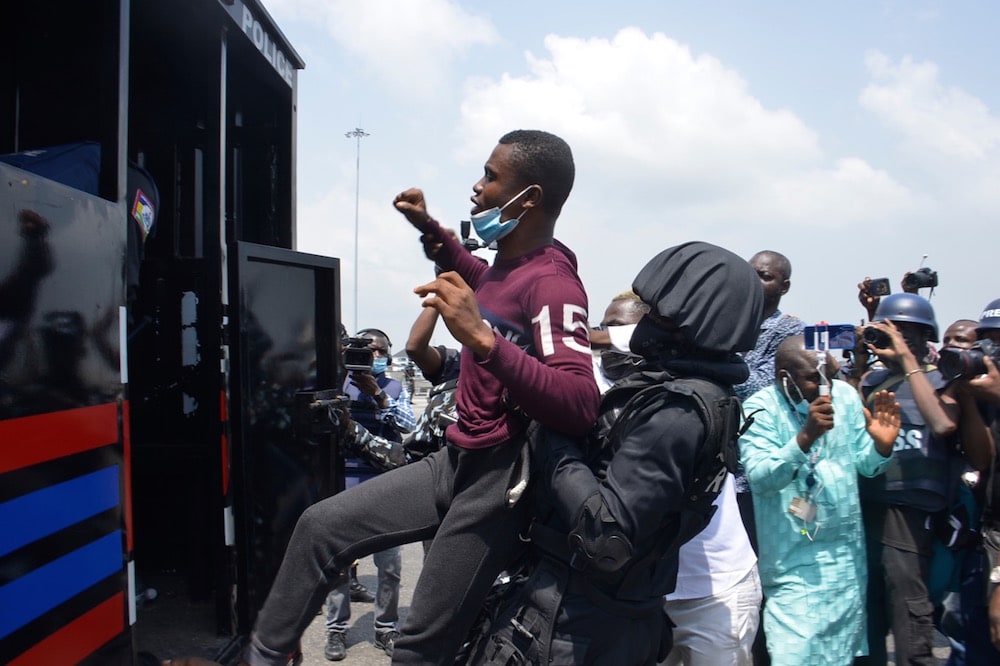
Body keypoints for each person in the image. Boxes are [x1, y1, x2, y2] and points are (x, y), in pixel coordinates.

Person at [242, 129, 599, 666]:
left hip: (498, 481)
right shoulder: (504, 267)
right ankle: (263, 657)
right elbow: (472, 271)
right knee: (319, 528)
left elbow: (579, 401)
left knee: (418, 647)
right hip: (453, 459)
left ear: (530, 198)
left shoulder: (552, 283)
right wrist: (428, 227)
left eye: (491, 176)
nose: (476, 187)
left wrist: (483, 340)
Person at [463, 241, 765, 665]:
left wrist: (553, 436)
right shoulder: (688, 386)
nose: (649, 323)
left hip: (649, 602)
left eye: (659, 313)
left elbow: (606, 536)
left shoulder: (677, 409)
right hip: (629, 600)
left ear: (692, 321)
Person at [739, 335, 899, 664]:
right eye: (815, 378)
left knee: (840, 654)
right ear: (785, 377)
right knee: (793, 652)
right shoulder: (760, 409)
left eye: (832, 374)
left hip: (844, 562)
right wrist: (805, 438)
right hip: (792, 562)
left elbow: (866, 466)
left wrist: (881, 447)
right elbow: (760, 478)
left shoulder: (845, 398)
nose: (826, 386)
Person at [854, 293, 992, 665]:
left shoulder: (943, 379)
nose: (895, 339)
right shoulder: (872, 380)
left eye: (905, 333)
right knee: (867, 618)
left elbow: (943, 424)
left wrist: (909, 363)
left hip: (911, 513)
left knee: (909, 613)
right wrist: (861, 359)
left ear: (923, 337)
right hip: (867, 504)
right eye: (888, 332)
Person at [323, 328, 415, 660]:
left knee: (389, 564)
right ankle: (336, 630)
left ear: (389, 355)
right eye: (365, 352)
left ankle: (385, 628)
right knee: (339, 564)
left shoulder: (393, 387)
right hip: (343, 484)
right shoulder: (338, 385)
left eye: (379, 352)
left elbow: (408, 425)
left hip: (385, 484)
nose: (372, 358)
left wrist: (378, 394)